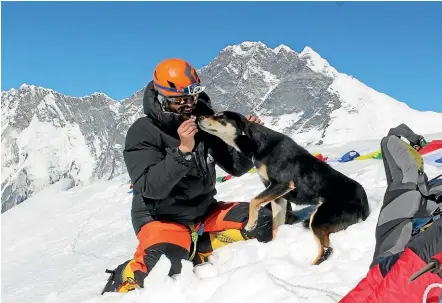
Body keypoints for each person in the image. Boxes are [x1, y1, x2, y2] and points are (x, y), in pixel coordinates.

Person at [101, 58, 274, 294]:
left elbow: (236, 168)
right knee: (163, 270)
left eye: (191, 97)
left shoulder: (204, 120)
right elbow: (149, 187)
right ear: (162, 97)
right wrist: (183, 151)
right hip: (160, 218)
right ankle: (126, 275)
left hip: (204, 212)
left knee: (265, 219)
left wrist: (246, 140)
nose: (188, 105)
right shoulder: (143, 132)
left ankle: (199, 246)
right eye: (179, 100)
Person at [339, 123, 442, 303]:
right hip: (398, 258)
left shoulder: (416, 185)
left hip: (401, 260)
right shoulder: (406, 182)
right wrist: (414, 138)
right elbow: (390, 139)